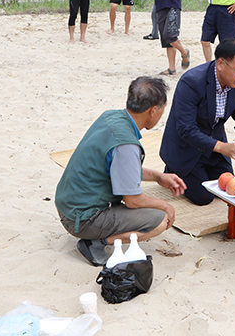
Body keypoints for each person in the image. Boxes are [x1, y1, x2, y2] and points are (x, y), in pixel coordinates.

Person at [55, 76, 187, 266]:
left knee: (154, 208)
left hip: (67, 205)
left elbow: (120, 168)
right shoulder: (126, 144)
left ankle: (97, 236)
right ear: (153, 111)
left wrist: (158, 176)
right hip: (81, 218)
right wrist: (165, 205)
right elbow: (133, 200)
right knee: (161, 219)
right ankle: (96, 242)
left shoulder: (110, 116)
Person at [160, 39, 235, 206]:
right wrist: (222, 147)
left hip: (214, 144)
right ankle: (172, 168)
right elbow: (186, 129)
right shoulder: (191, 82)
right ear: (220, 64)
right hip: (185, 147)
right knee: (203, 197)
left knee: (226, 189)